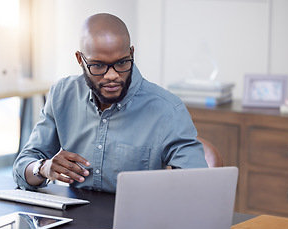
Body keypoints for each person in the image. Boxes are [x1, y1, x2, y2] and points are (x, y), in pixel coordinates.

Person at [13, 13, 207, 193]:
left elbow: (199, 186)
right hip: (75, 221)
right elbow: (22, 166)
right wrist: (43, 168)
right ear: (80, 59)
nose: (112, 76)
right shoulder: (62, 94)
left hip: (137, 223)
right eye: (98, 65)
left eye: (122, 62)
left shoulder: (167, 109)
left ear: (131, 53)